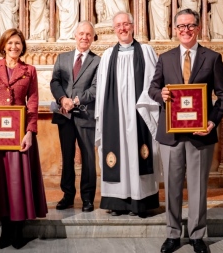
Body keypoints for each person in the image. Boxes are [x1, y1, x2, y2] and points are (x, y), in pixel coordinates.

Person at [149, 9, 223, 253]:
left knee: (197, 188)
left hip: (200, 135)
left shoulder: (212, 57)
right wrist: (160, 94)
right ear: (175, 30)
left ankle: (197, 235)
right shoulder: (165, 58)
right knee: (172, 187)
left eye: (190, 25)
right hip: (171, 135)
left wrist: (213, 122)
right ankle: (173, 234)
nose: (185, 30)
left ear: (198, 28)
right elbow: (153, 88)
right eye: (181, 26)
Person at [0, 28, 48, 250]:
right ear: (3, 45)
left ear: (22, 46)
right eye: (10, 43)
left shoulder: (30, 70)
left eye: (17, 43)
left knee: (18, 183)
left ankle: (18, 232)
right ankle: (5, 230)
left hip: (19, 137)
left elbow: (33, 103)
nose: (14, 47)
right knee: (0, 182)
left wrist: (30, 131)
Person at [95, 11, 161, 217]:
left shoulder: (147, 51)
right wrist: (102, 116)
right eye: (118, 26)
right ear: (114, 29)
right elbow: (101, 91)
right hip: (114, 115)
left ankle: (140, 202)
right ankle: (118, 202)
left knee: (138, 152)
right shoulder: (107, 56)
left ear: (133, 26)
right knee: (117, 153)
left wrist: (144, 107)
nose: (122, 28)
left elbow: (154, 82)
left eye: (126, 24)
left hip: (139, 112)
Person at [50, 21, 100, 212]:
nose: (84, 37)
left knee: (88, 158)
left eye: (88, 34)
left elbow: (96, 88)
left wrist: (76, 100)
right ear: (75, 35)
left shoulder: (98, 61)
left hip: (86, 116)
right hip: (65, 116)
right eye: (81, 34)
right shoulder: (62, 58)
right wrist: (63, 99)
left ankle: (87, 198)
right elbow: (55, 81)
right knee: (67, 156)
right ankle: (68, 195)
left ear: (93, 38)